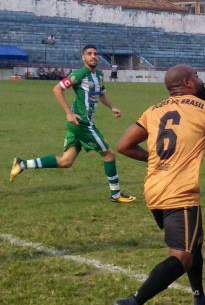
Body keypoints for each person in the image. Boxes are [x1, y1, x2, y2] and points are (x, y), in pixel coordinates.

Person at [112, 64, 205, 305]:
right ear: (187, 82)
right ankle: (132, 304)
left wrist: (157, 160)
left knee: (195, 244)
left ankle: (200, 302)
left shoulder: (154, 110)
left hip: (154, 189)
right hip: (179, 192)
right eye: (197, 75)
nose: (200, 78)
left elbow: (123, 145)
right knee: (183, 256)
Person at [9, 45, 136, 203]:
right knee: (109, 155)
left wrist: (112, 107)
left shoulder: (98, 74)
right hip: (82, 123)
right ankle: (116, 195)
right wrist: (68, 113)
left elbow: (101, 93)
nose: (93, 56)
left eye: (95, 54)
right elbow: (57, 89)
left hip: (77, 123)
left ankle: (22, 164)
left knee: (66, 161)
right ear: (83, 57)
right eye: (89, 54)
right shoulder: (79, 73)